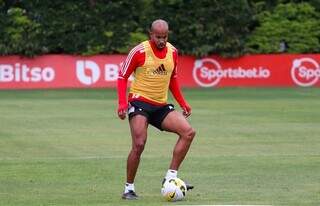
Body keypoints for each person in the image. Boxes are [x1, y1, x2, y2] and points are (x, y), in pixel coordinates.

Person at [117, 19, 196, 200]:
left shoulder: (173, 52)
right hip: (139, 103)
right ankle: (129, 188)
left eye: (165, 37)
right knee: (139, 144)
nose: (162, 40)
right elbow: (122, 77)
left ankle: (170, 178)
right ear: (150, 34)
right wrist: (122, 104)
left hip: (160, 105)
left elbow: (173, 79)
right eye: (158, 37)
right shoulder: (139, 51)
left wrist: (183, 103)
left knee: (188, 132)